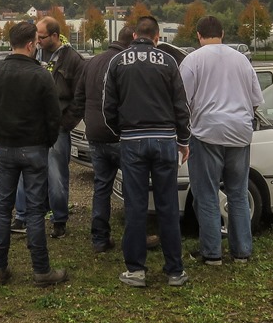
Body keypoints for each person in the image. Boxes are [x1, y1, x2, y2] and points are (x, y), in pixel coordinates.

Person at [103, 15, 190, 288]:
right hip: (165, 140)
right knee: (168, 205)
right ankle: (174, 271)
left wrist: (121, 132)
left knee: (136, 206)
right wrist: (183, 139)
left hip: (132, 140)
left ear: (134, 36)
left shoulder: (117, 62)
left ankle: (136, 270)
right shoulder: (169, 62)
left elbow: (108, 107)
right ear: (157, 37)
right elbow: (181, 105)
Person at [0, 21, 67, 287]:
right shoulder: (41, 75)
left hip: (5, 149)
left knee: (2, 208)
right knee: (35, 210)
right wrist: (46, 142)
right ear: (31, 45)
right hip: (34, 149)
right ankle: (41, 270)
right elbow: (53, 117)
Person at [179, 16, 263, 265]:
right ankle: (242, 251)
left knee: (206, 194)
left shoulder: (192, 60)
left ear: (198, 35)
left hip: (207, 132)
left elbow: (182, 101)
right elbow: (256, 100)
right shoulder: (242, 60)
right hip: (239, 133)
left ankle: (212, 253)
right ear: (223, 34)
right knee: (238, 193)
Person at [12, 16, 84, 238]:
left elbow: (80, 97)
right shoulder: (32, 54)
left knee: (56, 175)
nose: (38, 41)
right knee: (25, 172)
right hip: (31, 126)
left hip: (57, 128)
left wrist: (64, 124)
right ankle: (22, 216)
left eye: (41, 37)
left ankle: (59, 219)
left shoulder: (73, 59)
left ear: (55, 35)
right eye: (36, 37)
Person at [67, 25, 134, 253]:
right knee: (134, 187)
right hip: (121, 135)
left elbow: (79, 97)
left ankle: (99, 238)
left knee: (101, 187)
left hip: (95, 135)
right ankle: (135, 238)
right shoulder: (125, 63)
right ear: (132, 42)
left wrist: (84, 122)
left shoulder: (92, 62)